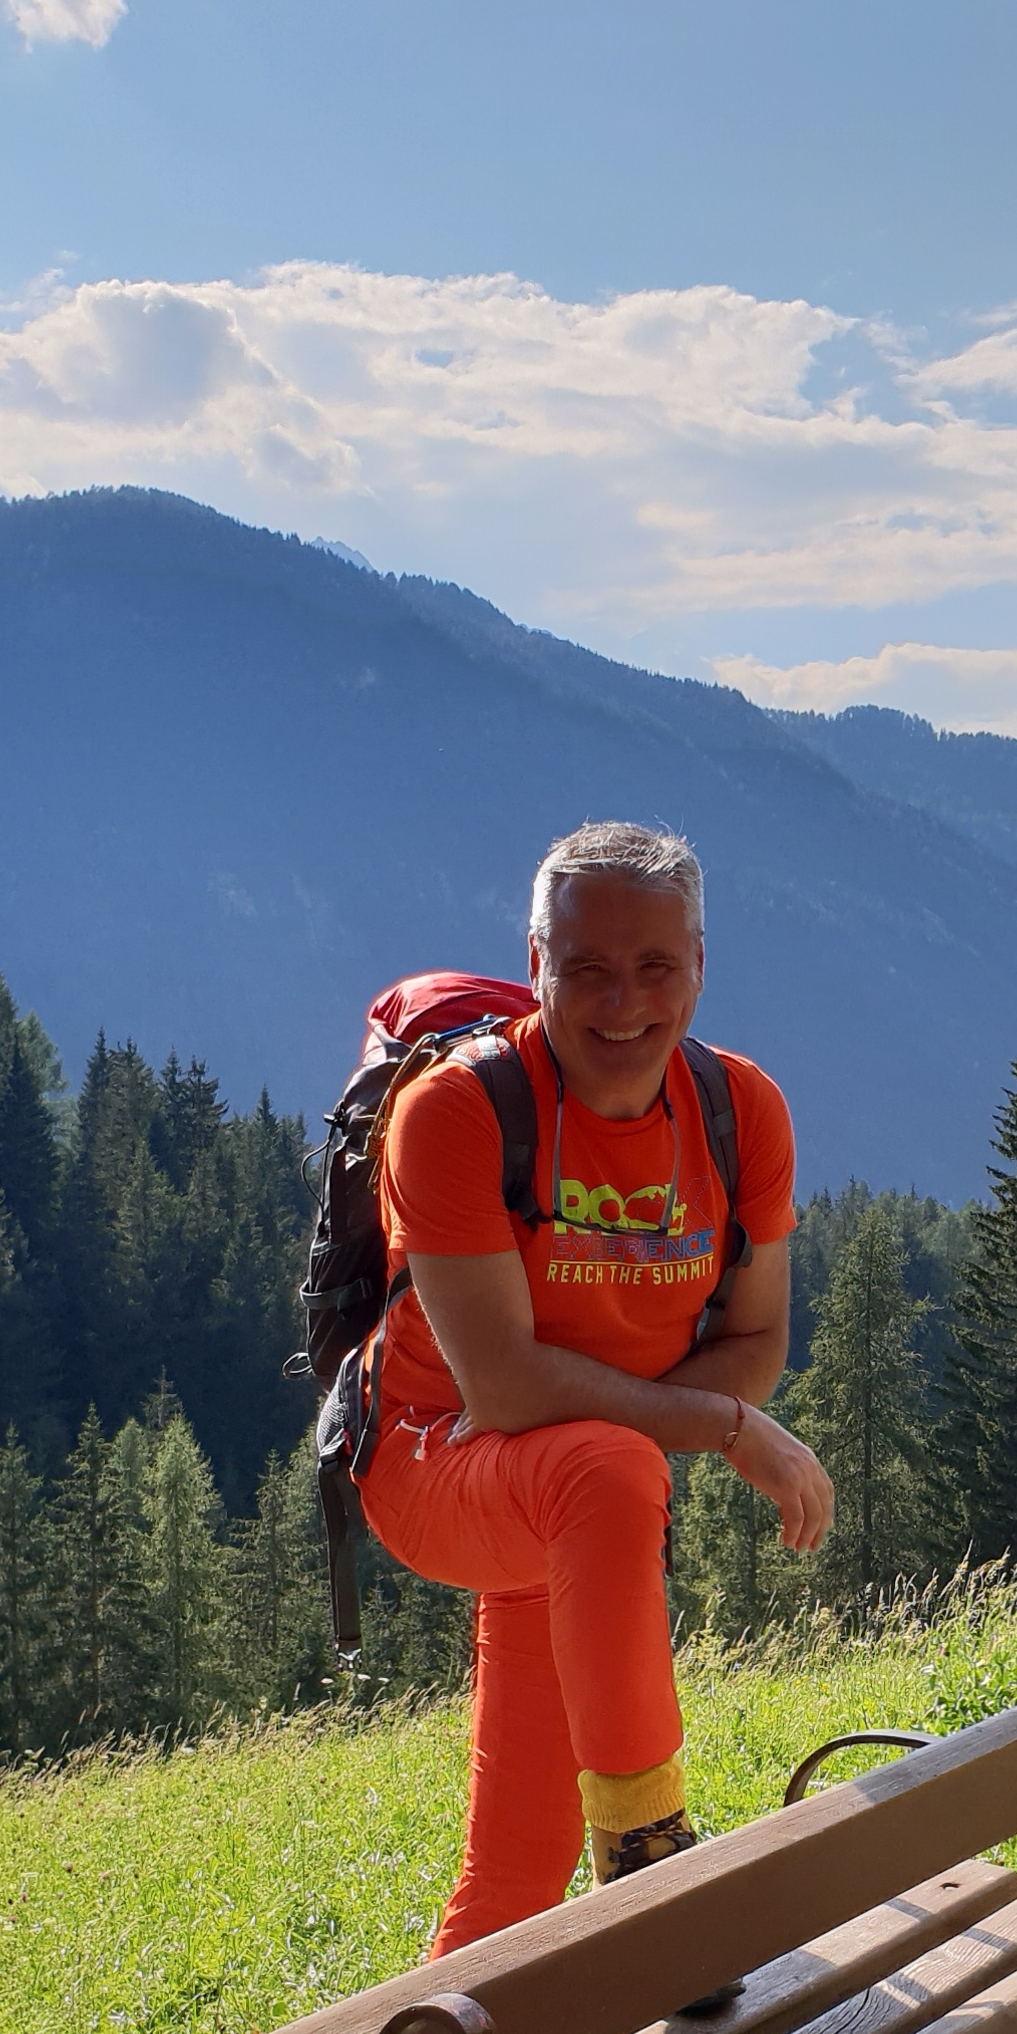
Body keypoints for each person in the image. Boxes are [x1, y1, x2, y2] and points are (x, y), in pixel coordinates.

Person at [357, 818, 834, 1954]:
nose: (623, 1002)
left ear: (701, 968)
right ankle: (651, 1867)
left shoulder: (739, 1113)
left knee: (515, 1882)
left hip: (574, 1502)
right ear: (536, 966)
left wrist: (674, 1406)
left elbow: (757, 1338)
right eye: (587, 969)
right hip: (434, 1459)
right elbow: (507, 1390)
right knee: (609, 1464)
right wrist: (718, 1425)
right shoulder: (458, 1113)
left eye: (656, 967)